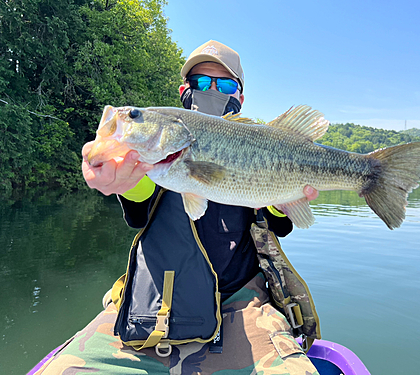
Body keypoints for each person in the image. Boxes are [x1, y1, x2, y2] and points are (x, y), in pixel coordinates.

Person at [37, 40, 320, 374]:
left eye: (225, 84)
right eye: (201, 82)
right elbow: (139, 195)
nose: (212, 90)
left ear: (239, 98)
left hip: (243, 309)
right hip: (151, 310)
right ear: (185, 90)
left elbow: (276, 225)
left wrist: (287, 201)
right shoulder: (151, 164)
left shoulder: (259, 142)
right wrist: (119, 178)